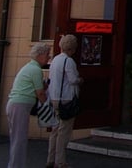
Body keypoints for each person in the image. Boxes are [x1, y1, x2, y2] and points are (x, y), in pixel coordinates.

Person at [6, 41, 51, 168]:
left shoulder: (29, 67)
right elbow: (40, 93)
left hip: (16, 104)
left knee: (17, 139)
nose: (48, 58)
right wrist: (48, 107)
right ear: (40, 55)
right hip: (20, 105)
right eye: (47, 54)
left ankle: (15, 165)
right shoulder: (36, 69)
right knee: (19, 140)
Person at [46, 34, 83, 168]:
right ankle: (60, 162)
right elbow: (73, 80)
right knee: (64, 132)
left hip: (54, 97)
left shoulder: (55, 60)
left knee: (55, 130)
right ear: (72, 48)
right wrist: (80, 80)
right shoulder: (69, 61)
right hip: (66, 99)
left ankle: (50, 159)